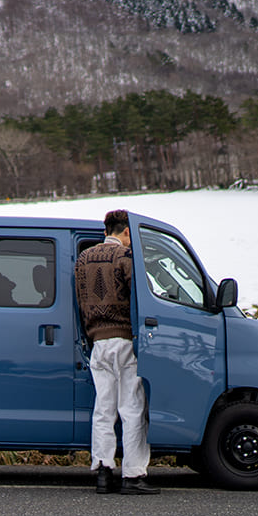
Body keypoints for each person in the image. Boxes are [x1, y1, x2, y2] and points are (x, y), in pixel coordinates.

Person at [75, 208, 158, 495]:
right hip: (124, 340)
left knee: (103, 409)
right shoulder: (125, 258)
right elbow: (140, 298)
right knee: (132, 409)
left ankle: (103, 471)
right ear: (125, 231)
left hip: (98, 343)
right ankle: (133, 476)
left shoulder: (83, 258)